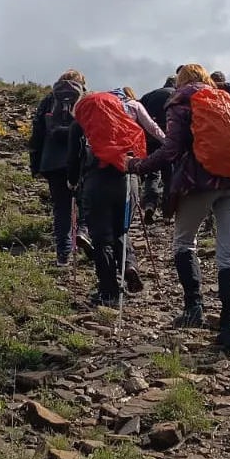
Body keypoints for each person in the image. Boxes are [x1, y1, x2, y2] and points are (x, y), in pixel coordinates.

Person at [126, 64, 230, 354]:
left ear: (181, 81)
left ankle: (194, 309)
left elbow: (171, 150)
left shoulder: (182, 101)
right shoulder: (227, 97)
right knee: (229, 253)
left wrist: (137, 166)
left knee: (184, 243)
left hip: (201, 180)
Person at [69, 88, 164, 307]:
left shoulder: (81, 124)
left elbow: (73, 159)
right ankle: (129, 265)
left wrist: (72, 182)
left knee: (102, 237)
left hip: (96, 182)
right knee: (122, 230)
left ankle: (109, 290)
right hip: (128, 181)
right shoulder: (125, 120)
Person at [29, 72, 88, 267]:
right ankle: (83, 233)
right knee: (84, 202)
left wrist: (35, 164)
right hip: (80, 159)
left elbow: (37, 131)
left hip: (52, 161)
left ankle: (63, 253)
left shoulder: (49, 99)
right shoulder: (86, 99)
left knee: (61, 207)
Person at [137, 76, 178, 220]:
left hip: (149, 139)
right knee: (170, 174)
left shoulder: (149, 96)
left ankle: (150, 204)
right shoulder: (176, 95)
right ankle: (167, 211)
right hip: (168, 138)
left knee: (152, 173)